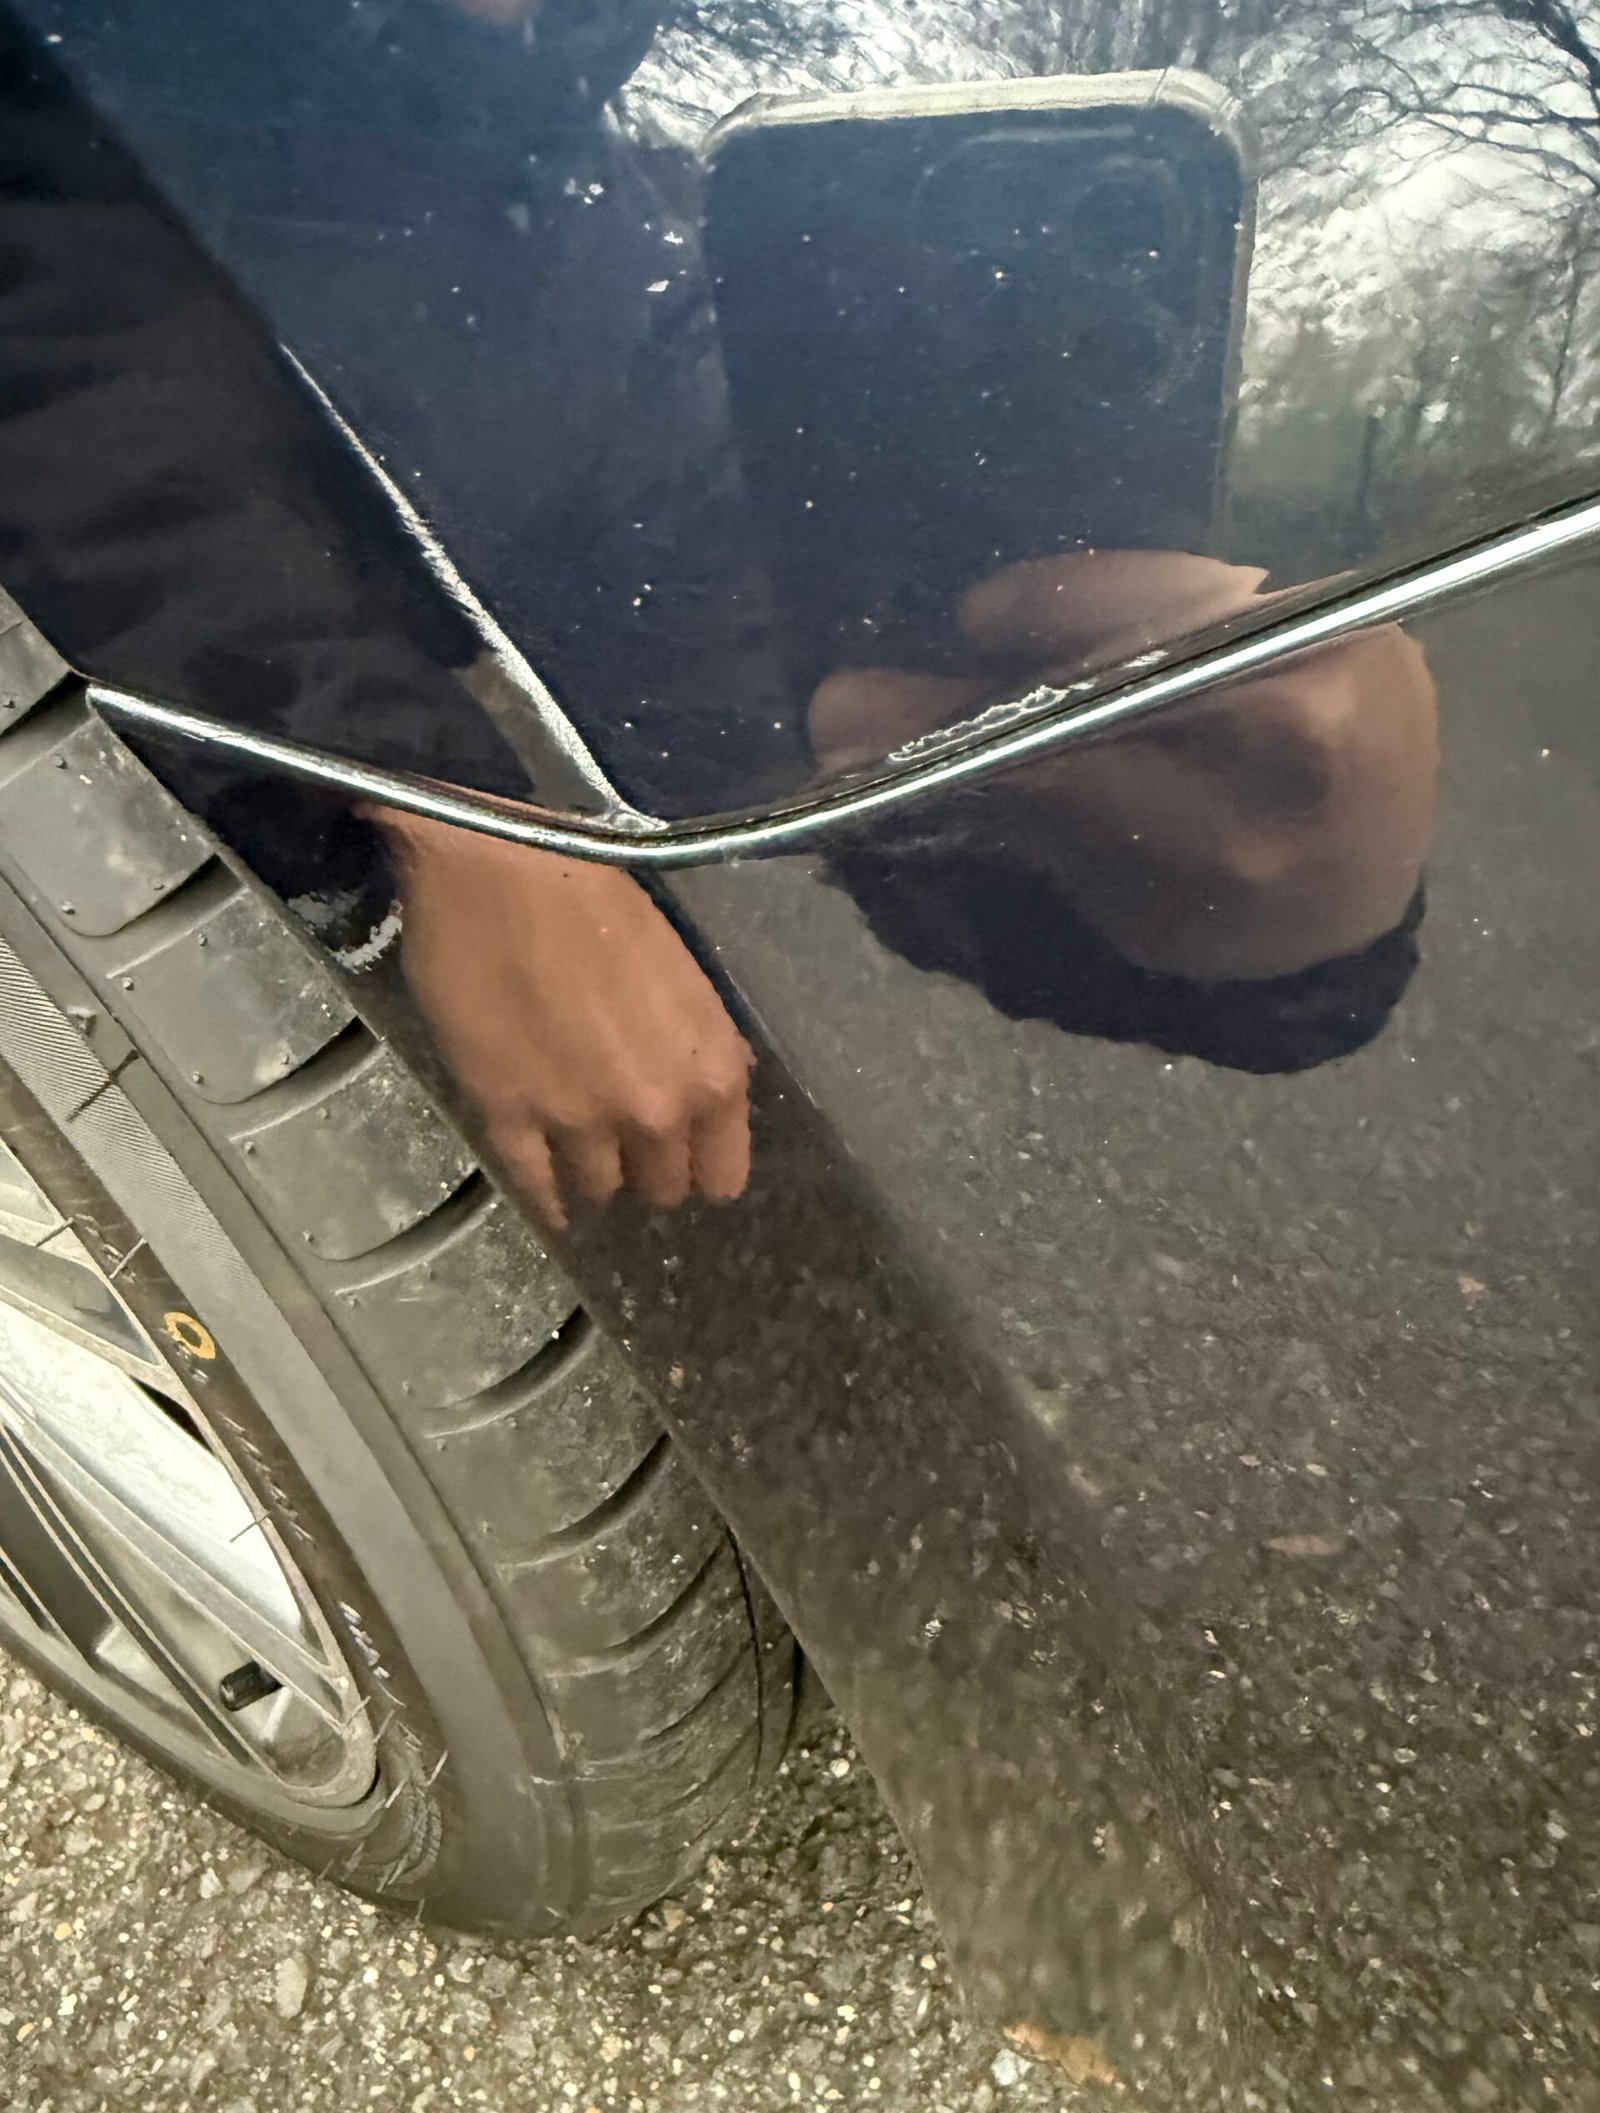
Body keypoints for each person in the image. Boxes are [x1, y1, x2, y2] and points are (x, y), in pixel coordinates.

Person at [0, 0, 1437, 1230]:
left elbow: (727, 653)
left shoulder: (582, 223)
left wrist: (1271, 925)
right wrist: (414, 801)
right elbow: (63, 337)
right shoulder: (127, 95)